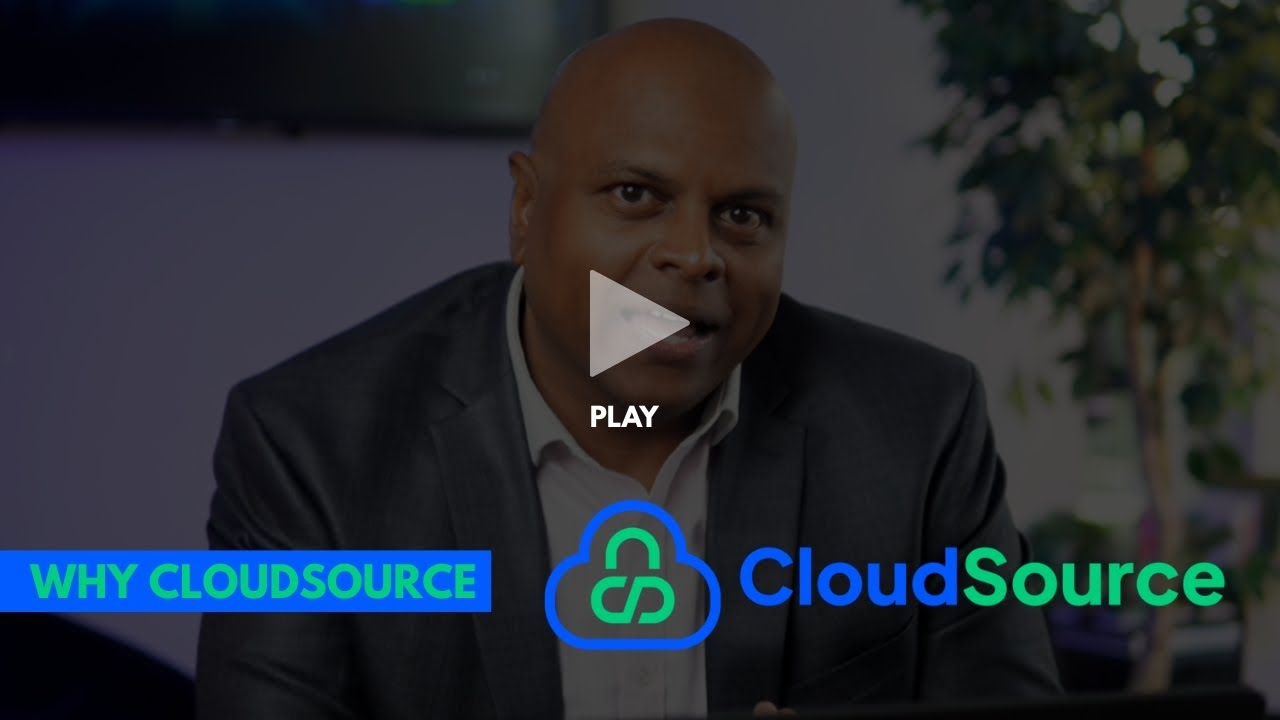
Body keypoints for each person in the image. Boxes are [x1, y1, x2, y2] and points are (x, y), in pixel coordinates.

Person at [195, 17, 1061, 720]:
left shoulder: (918, 427)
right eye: (636, 196)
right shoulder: (313, 449)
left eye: (743, 215)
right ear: (526, 208)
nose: (694, 255)